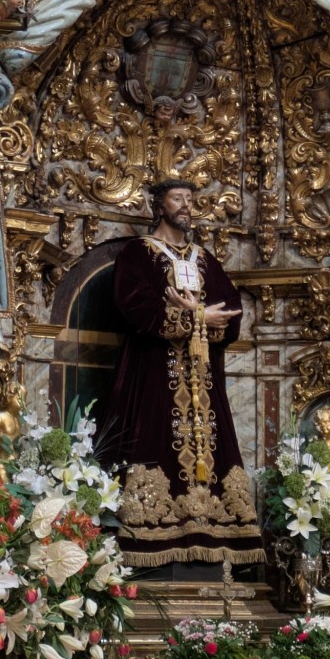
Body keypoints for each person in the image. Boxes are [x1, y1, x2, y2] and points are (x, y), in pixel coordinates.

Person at [103, 179, 264, 567]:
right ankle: (152, 534)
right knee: (155, 440)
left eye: (190, 200)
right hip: (155, 373)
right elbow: (133, 307)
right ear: (159, 205)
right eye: (178, 199)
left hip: (204, 378)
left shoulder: (204, 259)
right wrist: (193, 316)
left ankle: (215, 532)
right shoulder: (138, 254)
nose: (186, 206)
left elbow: (232, 309)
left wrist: (203, 317)